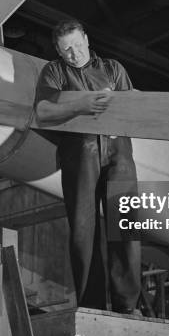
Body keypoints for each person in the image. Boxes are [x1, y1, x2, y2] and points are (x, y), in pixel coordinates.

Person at [35, 20, 140, 313]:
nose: (74, 53)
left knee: (126, 227)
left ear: (87, 39)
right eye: (66, 49)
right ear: (58, 50)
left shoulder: (112, 68)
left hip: (119, 152)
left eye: (78, 45)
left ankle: (127, 305)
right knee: (83, 231)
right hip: (79, 154)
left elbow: (133, 105)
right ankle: (91, 305)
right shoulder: (54, 71)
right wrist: (79, 107)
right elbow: (43, 111)